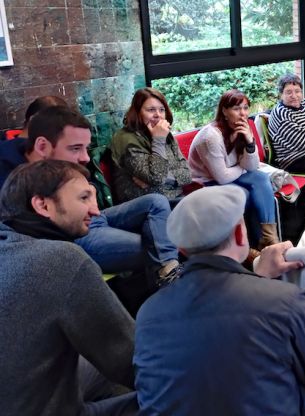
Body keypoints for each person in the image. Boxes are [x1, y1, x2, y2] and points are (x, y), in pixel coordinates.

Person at [134, 185, 305, 414]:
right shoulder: (281, 301)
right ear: (240, 234)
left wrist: (257, 277)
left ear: (182, 250)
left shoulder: (148, 314)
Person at [0, 160, 136, 415]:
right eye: (84, 198)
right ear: (43, 205)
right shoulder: (62, 259)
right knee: (178, 387)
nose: (96, 211)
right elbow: (133, 362)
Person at [0, 105, 181, 287]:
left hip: (94, 217)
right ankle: (169, 279)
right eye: (76, 148)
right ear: (42, 146)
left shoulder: (55, 160)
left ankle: (167, 269)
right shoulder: (10, 176)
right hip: (71, 233)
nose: (86, 158)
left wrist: (89, 194)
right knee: (160, 246)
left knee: (156, 202)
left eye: (86, 148)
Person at [189, 89, 279, 253]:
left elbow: (252, 166)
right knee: (246, 194)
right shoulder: (210, 137)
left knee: (259, 178)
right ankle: (246, 248)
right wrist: (242, 166)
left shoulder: (242, 128)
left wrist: (250, 142)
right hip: (205, 184)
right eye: (237, 109)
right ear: (224, 111)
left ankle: (269, 238)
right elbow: (222, 177)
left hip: (229, 176)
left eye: (245, 108)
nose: (243, 113)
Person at [110, 87, 191, 204]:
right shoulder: (126, 138)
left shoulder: (166, 134)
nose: (158, 115)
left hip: (176, 199)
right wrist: (158, 140)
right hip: (145, 206)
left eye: (162, 110)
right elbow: (156, 177)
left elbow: (187, 175)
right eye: (151, 110)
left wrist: (165, 180)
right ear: (137, 113)